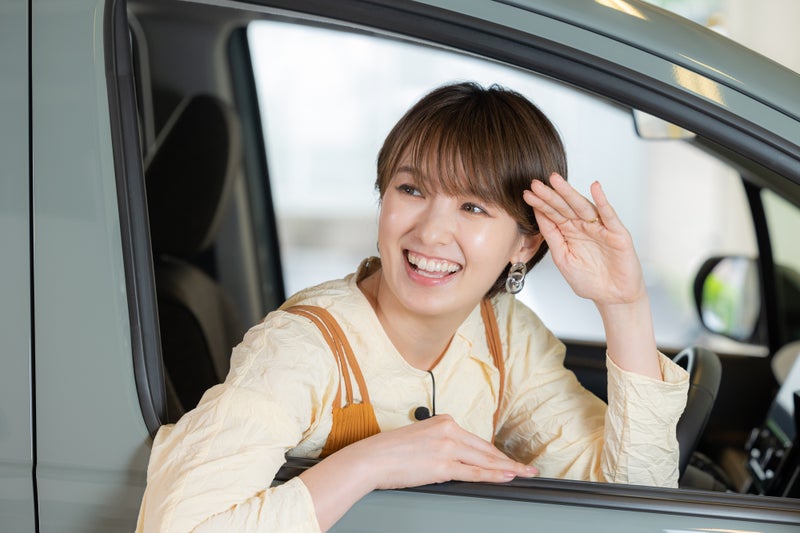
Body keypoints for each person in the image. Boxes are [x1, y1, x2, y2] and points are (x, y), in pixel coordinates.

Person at [136, 82, 689, 532]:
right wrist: (369, 463)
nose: (431, 232)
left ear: (525, 244)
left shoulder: (505, 335)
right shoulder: (300, 348)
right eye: (412, 190)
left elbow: (631, 505)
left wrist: (624, 305)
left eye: (473, 206)